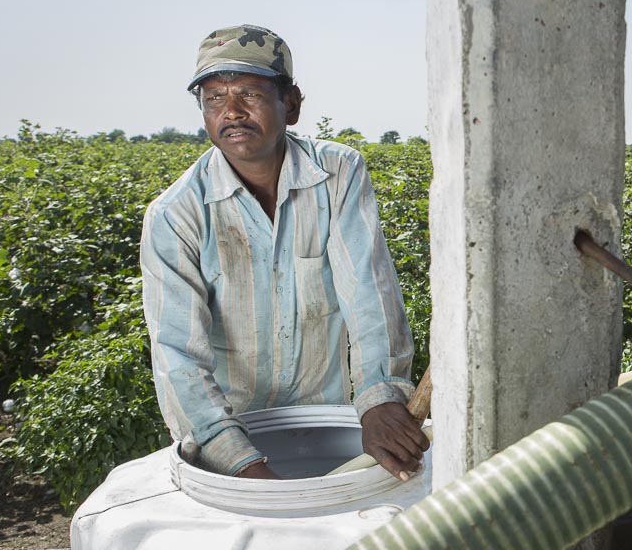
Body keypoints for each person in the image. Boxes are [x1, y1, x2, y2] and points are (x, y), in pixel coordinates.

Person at [140, 24, 428, 480]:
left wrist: (379, 398)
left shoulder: (338, 173)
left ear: (290, 105)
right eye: (214, 98)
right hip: (235, 432)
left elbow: (369, 294)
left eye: (249, 94)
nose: (231, 112)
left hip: (334, 423)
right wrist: (238, 459)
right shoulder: (176, 215)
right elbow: (178, 354)